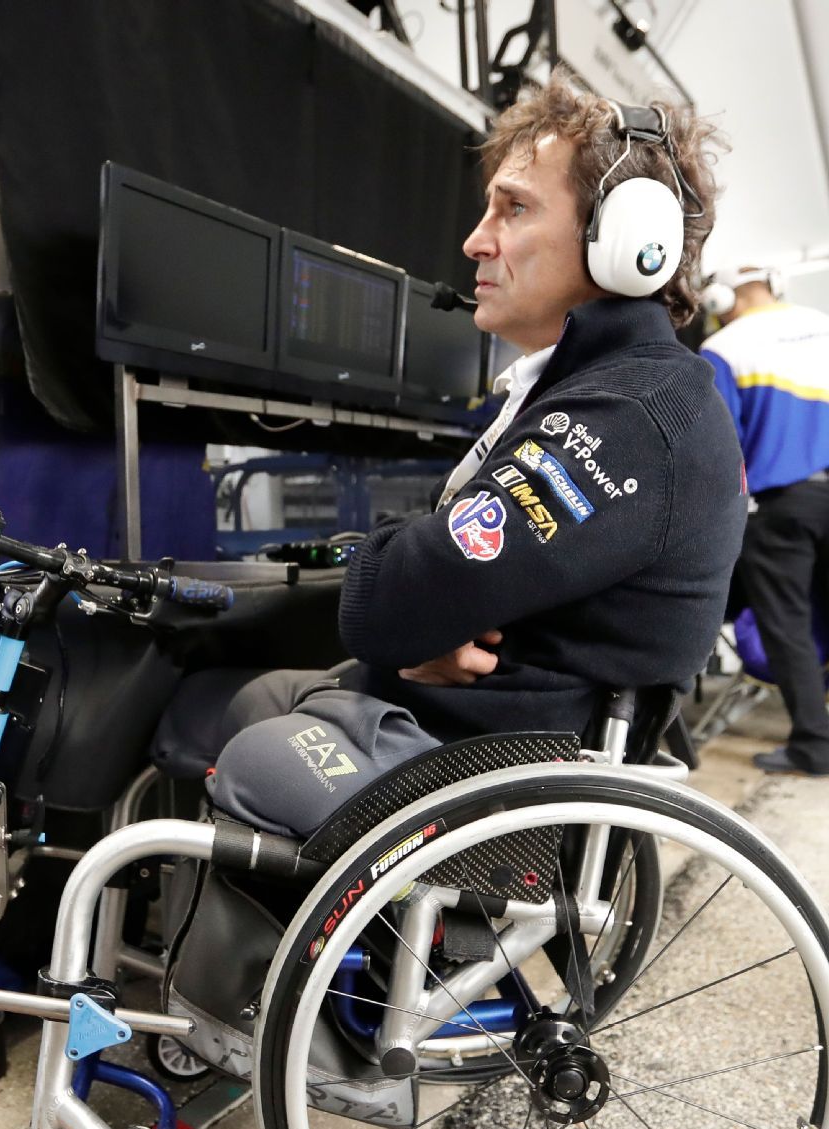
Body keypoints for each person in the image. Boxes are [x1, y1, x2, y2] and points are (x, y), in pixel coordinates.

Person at [152, 74, 747, 838]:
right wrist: (424, 605)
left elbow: (395, 603)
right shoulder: (602, 389)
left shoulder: (627, 416)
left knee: (252, 754)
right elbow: (428, 584)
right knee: (211, 702)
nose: (476, 240)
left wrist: (414, 602)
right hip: (464, 737)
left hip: (488, 782)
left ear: (625, 241)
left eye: (515, 208)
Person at [701, 267, 829, 776]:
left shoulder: (726, 347)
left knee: (786, 623)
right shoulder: (822, 326)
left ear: (719, 298)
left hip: (785, 505)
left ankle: (815, 746)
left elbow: (719, 447)